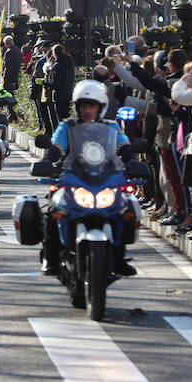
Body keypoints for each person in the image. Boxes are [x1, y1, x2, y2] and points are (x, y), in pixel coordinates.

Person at [42, 80, 136, 277]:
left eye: (91, 106)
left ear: (101, 107)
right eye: (83, 105)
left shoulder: (111, 128)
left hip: (104, 181)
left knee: (127, 210)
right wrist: (49, 160)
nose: (87, 110)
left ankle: (118, 257)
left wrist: (132, 160)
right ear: (77, 107)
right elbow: (55, 147)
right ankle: (50, 258)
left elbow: (124, 148)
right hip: (73, 179)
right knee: (53, 210)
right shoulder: (67, 126)